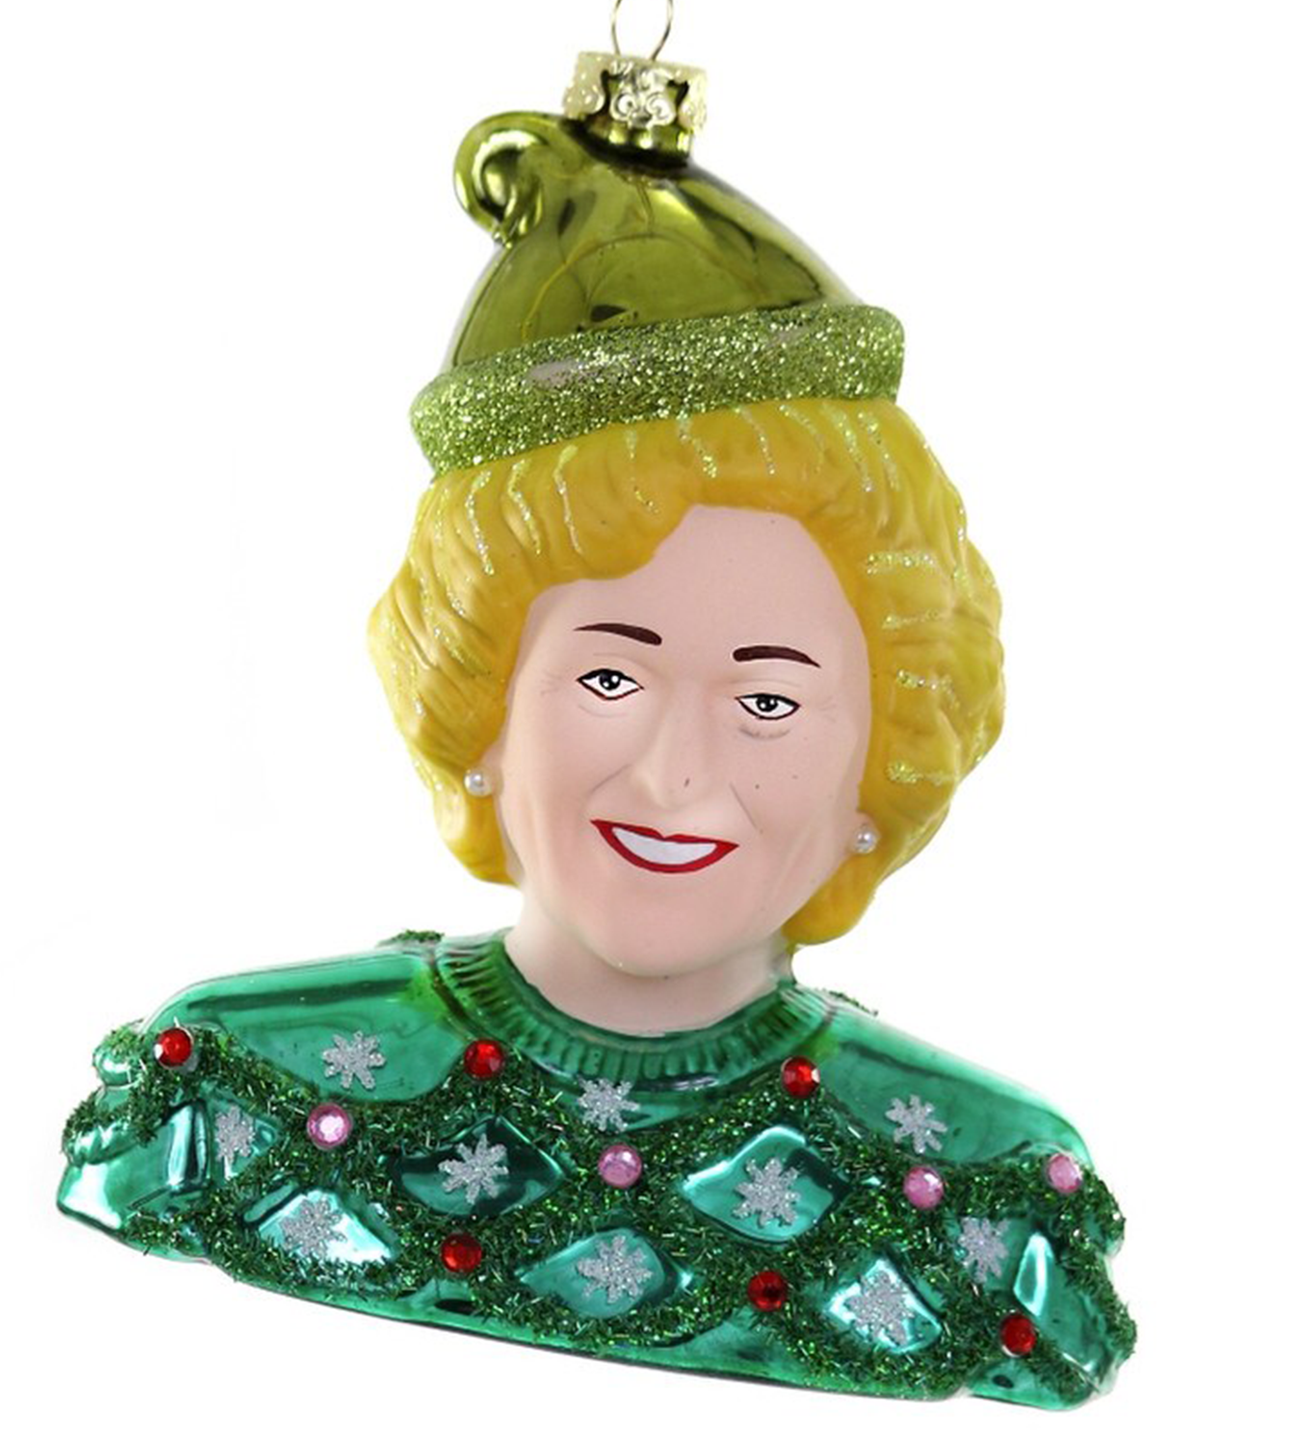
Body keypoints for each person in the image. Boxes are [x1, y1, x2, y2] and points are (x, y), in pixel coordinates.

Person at [58, 73, 1134, 1410]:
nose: (676, 775)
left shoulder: (978, 1199)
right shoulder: (230, 1098)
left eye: (768, 701)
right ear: (478, 714)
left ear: (885, 762)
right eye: (611, 678)